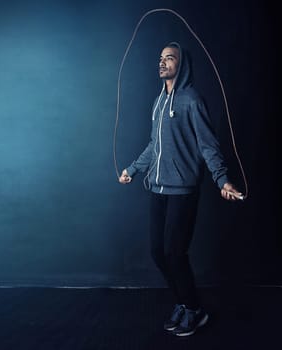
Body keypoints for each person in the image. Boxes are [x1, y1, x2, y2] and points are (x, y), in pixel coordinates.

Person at [119, 42, 242, 337]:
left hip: (183, 190)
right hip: (158, 188)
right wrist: (133, 169)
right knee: (157, 253)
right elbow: (154, 145)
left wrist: (222, 180)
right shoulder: (159, 101)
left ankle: (194, 309)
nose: (162, 62)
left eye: (169, 58)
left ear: (181, 64)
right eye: (160, 58)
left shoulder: (191, 100)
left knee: (175, 253)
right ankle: (184, 303)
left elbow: (207, 144)